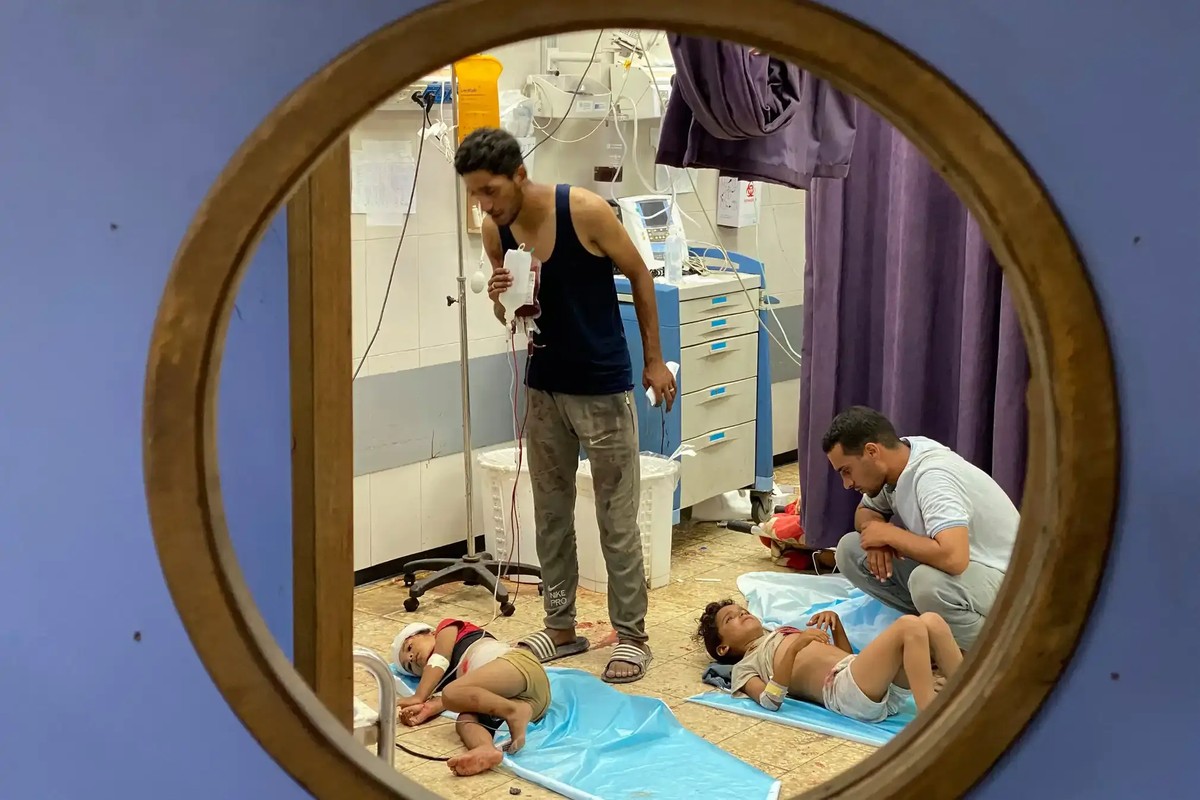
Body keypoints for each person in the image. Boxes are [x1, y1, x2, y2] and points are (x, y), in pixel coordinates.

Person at [453, 127, 676, 684]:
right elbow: (509, 317)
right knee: (550, 513)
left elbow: (640, 276)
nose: (485, 203)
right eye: (475, 194)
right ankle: (560, 626)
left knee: (615, 515)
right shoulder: (494, 230)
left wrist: (653, 360)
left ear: (520, 176)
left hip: (601, 387)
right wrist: (498, 296)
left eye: (491, 190)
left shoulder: (585, 211)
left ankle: (631, 635)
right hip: (544, 385)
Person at [822, 406, 1020, 650]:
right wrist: (876, 537)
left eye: (847, 471)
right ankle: (943, 637)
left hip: (1014, 584)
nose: (847, 483)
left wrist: (891, 534)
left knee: (927, 584)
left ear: (872, 451)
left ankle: (998, 655)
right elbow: (866, 512)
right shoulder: (899, 460)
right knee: (851, 550)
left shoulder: (932, 477)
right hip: (972, 574)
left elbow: (954, 558)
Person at [695, 600, 962, 719]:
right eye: (731, 619)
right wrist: (794, 648)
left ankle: (971, 694)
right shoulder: (745, 666)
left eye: (742, 610)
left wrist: (837, 629)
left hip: (862, 681)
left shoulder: (778, 631)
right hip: (842, 693)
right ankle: (933, 720)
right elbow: (769, 701)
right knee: (909, 627)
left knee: (931, 622)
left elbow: (847, 660)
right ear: (723, 648)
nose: (742, 615)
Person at [391, 618, 552, 777]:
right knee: (465, 719)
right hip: (532, 704)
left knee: (451, 693)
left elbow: (439, 659)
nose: (411, 658)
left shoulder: (447, 630)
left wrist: (419, 695)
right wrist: (424, 710)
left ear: (429, 633)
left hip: (519, 667)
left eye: (409, 647)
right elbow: (448, 701)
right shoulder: (445, 683)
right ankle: (485, 748)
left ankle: (513, 711)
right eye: (409, 666)